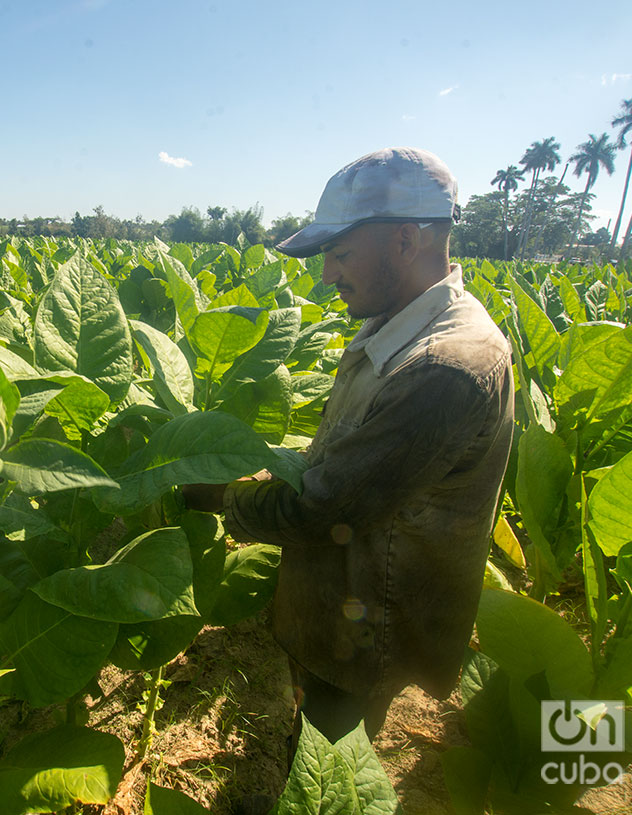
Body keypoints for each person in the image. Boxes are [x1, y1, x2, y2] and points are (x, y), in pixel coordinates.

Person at [185, 147, 514, 743]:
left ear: (406, 242)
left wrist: (215, 492)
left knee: (329, 771)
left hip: (369, 633)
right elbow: (342, 468)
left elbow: (323, 506)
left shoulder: (444, 367)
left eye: (339, 254)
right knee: (310, 747)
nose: (327, 274)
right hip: (342, 608)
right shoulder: (395, 323)